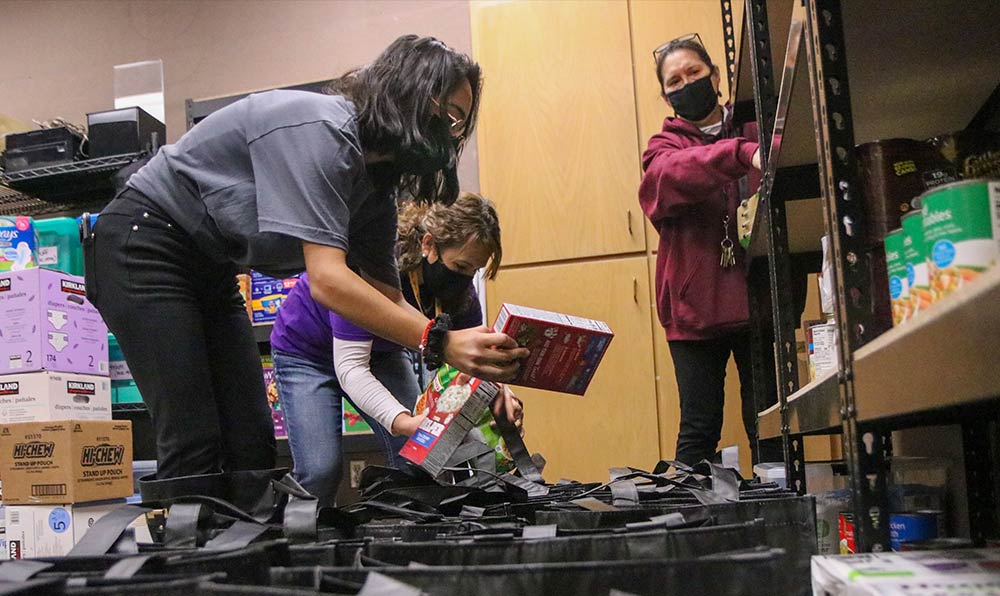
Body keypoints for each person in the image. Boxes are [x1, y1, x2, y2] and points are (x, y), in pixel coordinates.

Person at [84, 35, 528, 480]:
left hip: (212, 267)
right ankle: (187, 547)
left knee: (252, 443)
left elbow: (386, 297)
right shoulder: (322, 130)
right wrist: (439, 341)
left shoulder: (375, 186)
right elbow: (328, 281)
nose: (451, 135)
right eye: (450, 115)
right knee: (194, 440)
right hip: (146, 242)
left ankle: (239, 549)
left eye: (460, 124)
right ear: (413, 91)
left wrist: (472, 366)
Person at [271, 193, 521, 505]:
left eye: (474, 269)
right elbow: (351, 367)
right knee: (321, 469)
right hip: (307, 353)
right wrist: (403, 422)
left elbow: (472, 363)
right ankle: (296, 544)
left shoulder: (459, 292)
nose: (465, 278)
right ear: (428, 244)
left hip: (383, 353)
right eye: (460, 265)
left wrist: (500, 393)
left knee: (414, 461)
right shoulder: (375, 266)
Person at [638, 34, 781, 467]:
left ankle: (780, 517)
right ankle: (691, 525)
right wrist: (739, 155)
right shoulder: (662, 149)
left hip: (759, 300)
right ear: (667, 97)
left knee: (771, 424)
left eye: (694, 73)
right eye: (675, 81)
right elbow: (666, 181)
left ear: (716, 77)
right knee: (699, 427)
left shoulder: (761, 128)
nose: (687, 84)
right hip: (694, 312)